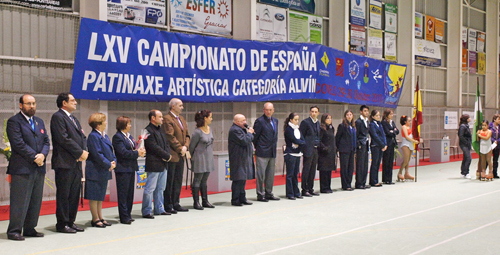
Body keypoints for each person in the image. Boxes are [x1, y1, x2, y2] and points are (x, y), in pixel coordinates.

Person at [6, 95, 50, 241]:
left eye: (33, 103)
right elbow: (18, 143)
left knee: (35, 200)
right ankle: (14, 230)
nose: (32, 106)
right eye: (28, 103)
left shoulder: (39, 122)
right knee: (20, 200)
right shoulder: (14, 122)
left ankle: (30, 228)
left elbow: (46, 141)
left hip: (38, 168)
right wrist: (35, 157)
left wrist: (43, 155)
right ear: (20, 105)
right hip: (22, 168)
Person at [50, 92, 88, 234]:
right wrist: (79, 153)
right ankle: (62, 224)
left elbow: (82, 136)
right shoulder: (58, 117)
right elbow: (63, 139)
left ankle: (71, 221)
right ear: (64, 103)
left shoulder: (73, 119)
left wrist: (83, 151)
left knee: (74, 194)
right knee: (64, 195)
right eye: (72, 100)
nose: (76, 102)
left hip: (76, 163)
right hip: (64, 163)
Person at [112, 116, 146, 224]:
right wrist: (137, 153)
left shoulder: (129, 136)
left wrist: (139, 148)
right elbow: (122, 152)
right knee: (123, 193)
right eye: (128, 124)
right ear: (123, 125)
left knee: (130, 193)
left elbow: (132, 148)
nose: (130, 126)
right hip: (123, 168)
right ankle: (124, 216)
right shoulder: (117, 137)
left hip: (131, 167)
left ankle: (128, 213)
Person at [85, 113, 116, 228]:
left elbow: (110, 151)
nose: (106, 123)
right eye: (104, 121)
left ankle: (100, 216)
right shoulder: (93, 136)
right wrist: (108, 163)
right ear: (98, 125)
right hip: (95, 170)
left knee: (100, 195)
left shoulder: (105, 136)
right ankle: (95, 218)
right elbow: (97, 154)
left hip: (104, 170)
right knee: (94, 195)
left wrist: (113, 161)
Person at [142, 110, 172, 219]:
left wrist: (168, 154)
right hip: (154, 163)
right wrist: (166, 155)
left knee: (161, 188)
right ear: (153, 118)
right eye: (160, 116)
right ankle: (146, 211)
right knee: (150, 189)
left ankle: (159, 209)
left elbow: (166, 144)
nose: (162, 118)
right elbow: (153, 147)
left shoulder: (161, 130)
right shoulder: (148, 130)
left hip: (163, 164)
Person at [163, 98, 190, 213]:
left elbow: (187, 135)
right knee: (170, 180)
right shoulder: (167, 119)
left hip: (181, 154)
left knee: (178, 179)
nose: (182, 107)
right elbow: (170, 136)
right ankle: (168, 204)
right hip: (173, 154)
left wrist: (185, 147)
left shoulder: (182, 119)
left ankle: (176, 202)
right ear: (173, 106)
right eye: (180, 105)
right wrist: (180, 148)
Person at [253, 102, 280, 202]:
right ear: (263, 110)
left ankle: (269, 193)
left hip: (272, 152)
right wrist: (259, 147)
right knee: (261, 174)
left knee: (270, 174)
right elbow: (255, 137)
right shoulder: (259, 121)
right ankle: (260, 194)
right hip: (262, 152)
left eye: (270, 110)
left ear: (273, 110)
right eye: (266, 110)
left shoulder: (275, 121)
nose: (268, 112)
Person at [189, 110, 215, 210]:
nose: (211, 119)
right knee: (197, 180)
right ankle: (196, 202)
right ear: (205, 118)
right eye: (210, 117)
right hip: (199, 158)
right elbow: (191, 147)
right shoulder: (197, 132)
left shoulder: (210, 129)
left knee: (204, 181)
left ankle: (205, 200)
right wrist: (191, 159)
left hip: (208, 157)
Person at [228, 114, 254, 206]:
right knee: (238, 179)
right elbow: (244, 141)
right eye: (242, 121)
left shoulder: (241, 129)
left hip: (243, 158)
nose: (245, 122)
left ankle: (242, 198)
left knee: (243, 179)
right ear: (236, 122)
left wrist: (250, 134)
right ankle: (235, 199)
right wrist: (250, 133)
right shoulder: (235, 130)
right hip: (237, 158)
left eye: (245, 120)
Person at [283, 112, 306, 200]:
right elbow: (294, 140)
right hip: (290, 154)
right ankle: (290, 193)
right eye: (295, 119)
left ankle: (296, 192)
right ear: (291, 120)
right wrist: (300, 142)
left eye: (298, 119)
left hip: (297, 153)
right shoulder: (288, 130)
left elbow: (302, 140)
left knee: (295, 174)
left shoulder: (298, 129)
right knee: (290, 175)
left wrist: (300, 143)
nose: (297, 121)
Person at [299, 106, 320, 197]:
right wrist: (304, 148)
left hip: (315, 149)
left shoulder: (318, 123)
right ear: (310, 112)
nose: (314, 113)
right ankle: (304, 189)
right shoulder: (305, 122)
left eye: (315, 112)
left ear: (318, 113)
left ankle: (311, 188)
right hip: (308, 149)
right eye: (312, 111)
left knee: (313, 170)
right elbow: (301, 136)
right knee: (306, 170)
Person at [335, 110, 356, 191]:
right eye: (347, 115)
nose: (349, 116)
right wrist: (338, 148)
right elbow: (338, 137)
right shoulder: (342, 126)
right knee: (344, 168)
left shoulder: (353, 126)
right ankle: (345, 185)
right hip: (344, 150)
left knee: (351, 168)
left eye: (351, 114)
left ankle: (349, 183)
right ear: (345, 116)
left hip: (351, 149)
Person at [318, 113, 336, 193]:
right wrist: (324, 148)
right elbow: (319, 140)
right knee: (324, 171)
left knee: (329, 170)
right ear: (324, 120)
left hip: (331, 153)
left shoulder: (331, 128)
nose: (329, 120)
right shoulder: (321, 129)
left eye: (330, 118)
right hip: (324, 153)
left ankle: (328, 186)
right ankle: (324, 187)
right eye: (328, 118)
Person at [368, 110, 387, 187]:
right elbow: (375, 136)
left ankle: (376, 179)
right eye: (376, 115)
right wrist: (382, 144)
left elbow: (383, 134)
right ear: (372, 116)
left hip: (381, 146)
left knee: (378, 163)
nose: (378, 117)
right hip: (375, 146)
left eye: (379, 115)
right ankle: (373, 181)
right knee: (375, 163)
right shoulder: (372, 124)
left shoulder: (379, 124)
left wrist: (385, 144)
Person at [381, 109, 399, 184]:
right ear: (387, 114)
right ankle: (385, 178)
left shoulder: (392, 122)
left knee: (391, 161)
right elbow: (387, 133)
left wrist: (393, 131)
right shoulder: (384, 122)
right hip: (387, 143)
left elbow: (397, 131)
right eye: (390, 114)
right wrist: (392, 131)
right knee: (386, 161)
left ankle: (389, 178)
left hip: (392, 143)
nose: (392, 115)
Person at [355, 105, 371, 189]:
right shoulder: (358, 122)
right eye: (365, 111)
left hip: (366, 144)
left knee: (365, 164)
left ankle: (364, 182)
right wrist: (358, 145)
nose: (366, 112)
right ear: (361, 112)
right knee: (360, 164)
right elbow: (356, 135)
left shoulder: (367, 121)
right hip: (361, 145)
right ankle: (359, 183)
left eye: (367, 111)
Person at [399, 115, 418, 182]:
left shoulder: (408, 127)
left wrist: (416, 139)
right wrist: (414, 141)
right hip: (405, 144)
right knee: (405, 160)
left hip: (410, 144)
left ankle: (407, 173)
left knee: (408, 160)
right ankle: (400, 173)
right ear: (405, 121)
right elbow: (406, 136)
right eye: (409, 121)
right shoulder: (404, 127)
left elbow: (410, 136)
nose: (410, 122)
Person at [458, 114, 472, 179]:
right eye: (469, 118)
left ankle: (463, 172)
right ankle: (466, 172)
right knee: (468, 158)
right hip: (464, 144)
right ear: (466, 119)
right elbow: (461, 136)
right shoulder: (463, 126)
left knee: (465, 158)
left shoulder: (466, 125)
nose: (470, 119)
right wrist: (466, 142)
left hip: (467, 144)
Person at [489, 114, 500, 178]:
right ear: (494, 119)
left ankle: (495, 173)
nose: (499, 120)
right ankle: (484, 173)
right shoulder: (489, 126)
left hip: (497, 145)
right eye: (498, 119)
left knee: (495, 160)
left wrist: (497, 141)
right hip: (490, 145)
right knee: (488, 159)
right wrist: (493, 140)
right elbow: (487, 134)